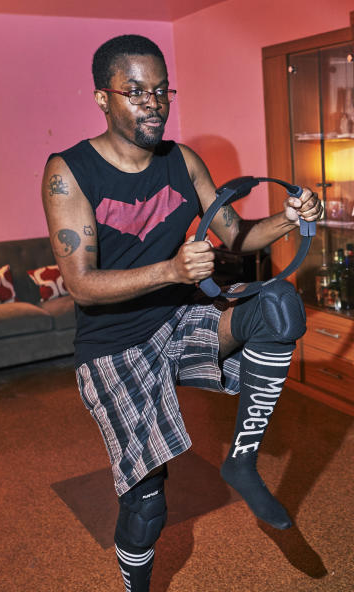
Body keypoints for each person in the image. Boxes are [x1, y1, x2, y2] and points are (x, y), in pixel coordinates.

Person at [40, 34, 322, 592]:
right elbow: (81, 286)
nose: (153, 103)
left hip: (180, 323)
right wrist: (170, 270)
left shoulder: (182, 161)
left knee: (279, 306)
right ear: (102, 98)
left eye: (162, 90)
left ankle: (242, 463)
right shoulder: (68, 172)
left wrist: (292, 216)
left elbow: (237, 236)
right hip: (113, 347)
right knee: (147, 506)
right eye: (136, 91)